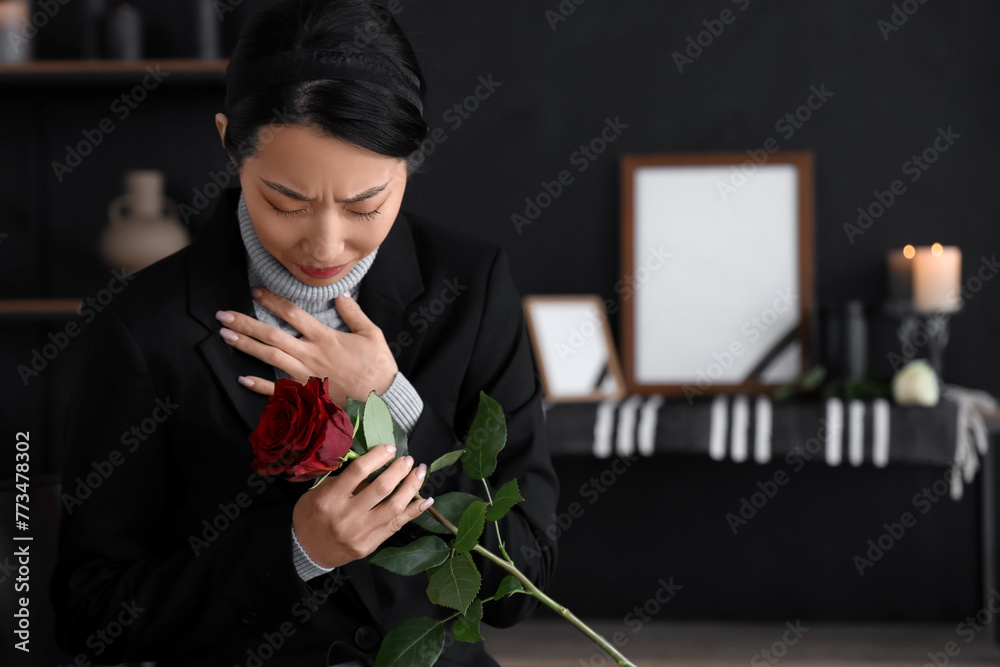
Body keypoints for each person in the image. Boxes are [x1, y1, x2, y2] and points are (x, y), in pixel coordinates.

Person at [49, 1, 559, 665]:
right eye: (286, 201)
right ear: (230, 140)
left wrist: (392, 396)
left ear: (409, 158)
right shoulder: (141, 327)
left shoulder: (473, 286)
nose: (325, 244)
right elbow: (91, 616)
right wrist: (297, 549)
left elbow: (524, 580)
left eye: (364, 204)